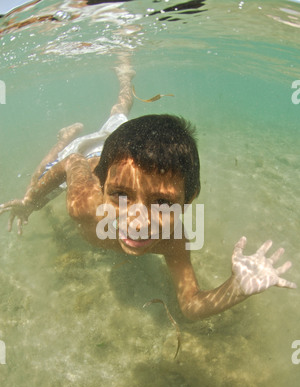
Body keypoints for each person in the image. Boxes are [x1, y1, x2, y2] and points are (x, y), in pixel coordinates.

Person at [0, 56, 296, 321]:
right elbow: (72, 163)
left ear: (188, 200)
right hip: (90, 154)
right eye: (119, 195)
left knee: (120, 114)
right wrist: (31, 202)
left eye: (162, 203)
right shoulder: (83, 204)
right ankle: (66, 135)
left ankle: (125, 82)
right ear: (101, 189)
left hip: (122, 157)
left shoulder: (174, 240)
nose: (137, 222)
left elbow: (190, 305)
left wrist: (235, 288)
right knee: (47, 169)